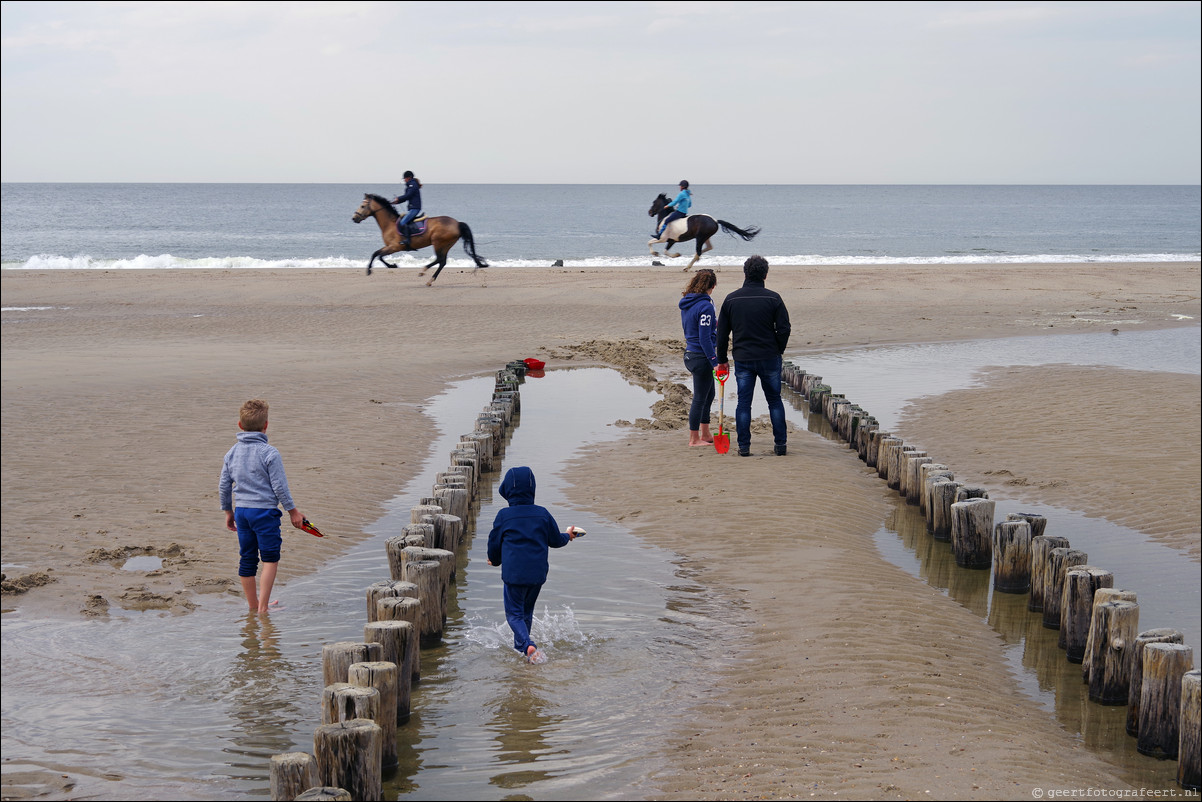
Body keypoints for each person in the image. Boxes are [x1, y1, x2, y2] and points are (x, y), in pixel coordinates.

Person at [486, 466, 582, 664]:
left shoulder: (504, 516)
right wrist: (569, 535)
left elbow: (494, 542)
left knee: (514, 614)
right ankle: (524, 651)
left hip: (514, 575)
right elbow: (555, 540)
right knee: (526, 612)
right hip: (537, 575)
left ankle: (528, 646)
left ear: (507, 490)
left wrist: (494, 560)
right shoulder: (542, 514)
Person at [219, 399, 305, 614]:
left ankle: (253, 605)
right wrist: (293, 511)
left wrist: (228, 511)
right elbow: (279, 487)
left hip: (242, 512)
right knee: (270, 558)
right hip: (264, 512)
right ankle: (263, 608)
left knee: (247, 558)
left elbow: (224, 485)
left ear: (240, 425)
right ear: (266, 425)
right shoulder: (270, 453)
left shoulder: (231, 453)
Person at [715, 255, 792, 457]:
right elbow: (784, 328)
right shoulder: (773, 298)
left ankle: (744, 446)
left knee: (743, 403)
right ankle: (780, 445)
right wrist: (778, 348)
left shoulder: (732, 299)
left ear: (745, 273)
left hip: (744, 358)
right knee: (774, 401)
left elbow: (722, 334)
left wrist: (721, 359)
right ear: (765, 274)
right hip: (769, 356)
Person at [679, 268, 721, 446]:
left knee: (709, 394)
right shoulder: (705, 306)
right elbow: (704, 338)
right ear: (711, 286)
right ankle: (693, 438)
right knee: (699, 398)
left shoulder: (688, 302)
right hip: (700, 356)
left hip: (690, 354)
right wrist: (715, 362)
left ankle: (705, 433)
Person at [391, 171, 423, 250]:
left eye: (404, 178)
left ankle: (408, 240)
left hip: (415, 208)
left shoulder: (412, 184)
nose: (404, 180)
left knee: (402, 222)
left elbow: (408, 195)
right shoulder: (410, 185)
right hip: (413, 208)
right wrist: (397, 202)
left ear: (408, 178)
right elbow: (407, 198)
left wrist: (399, 198)